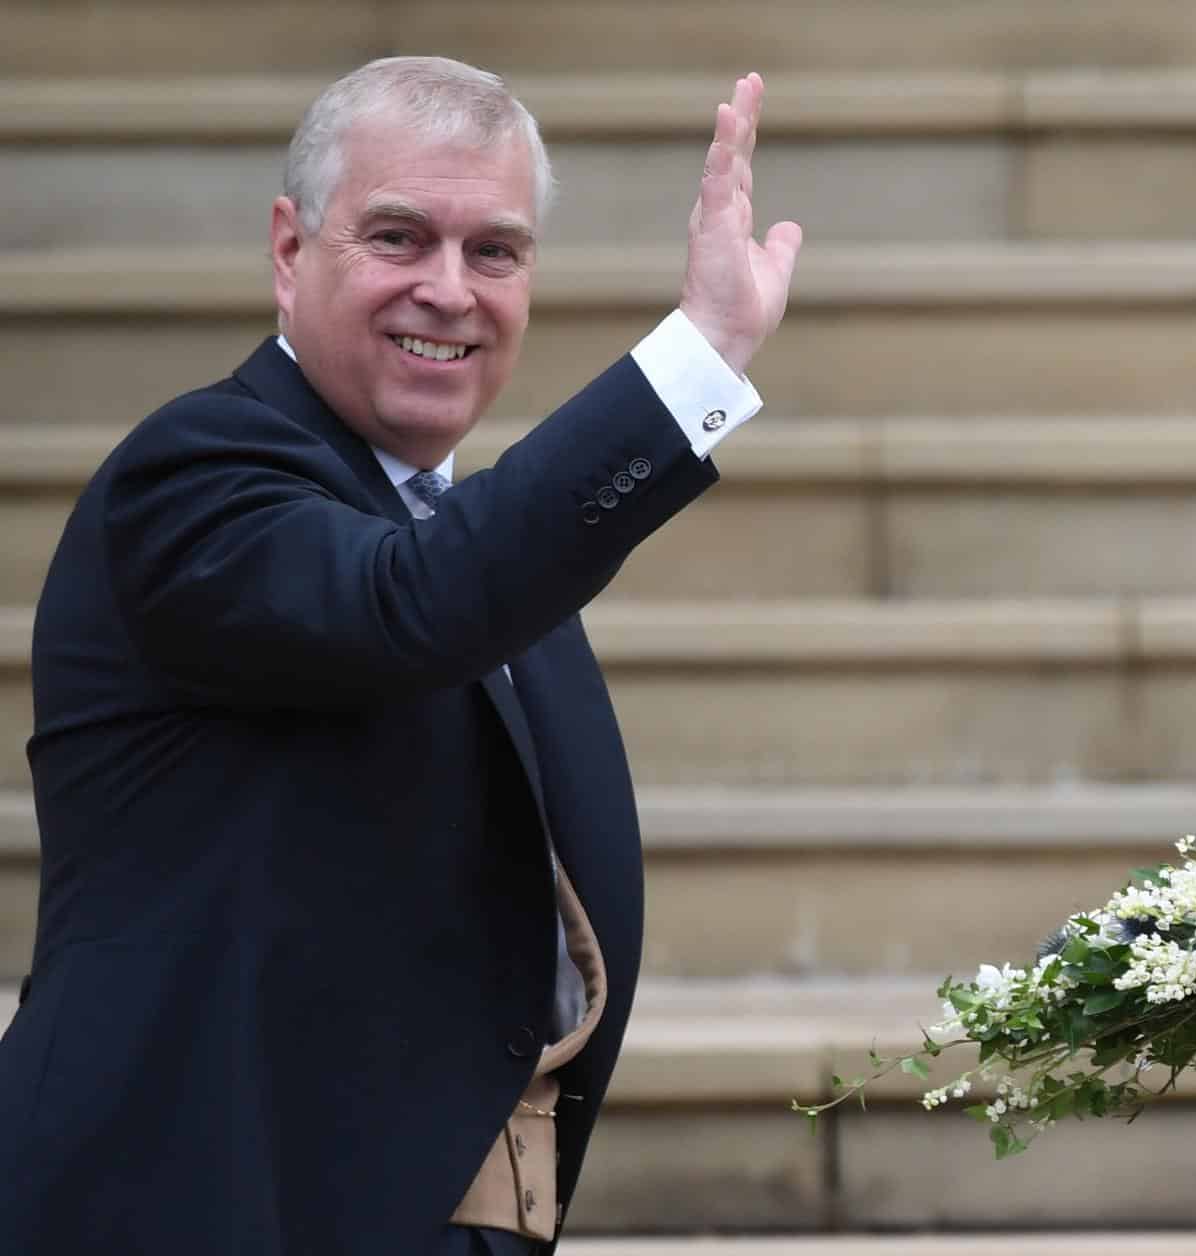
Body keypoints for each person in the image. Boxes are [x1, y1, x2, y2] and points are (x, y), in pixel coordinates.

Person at [0, 56, 800, 1256]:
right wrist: (702, 354)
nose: (449, 290)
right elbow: (409, 608)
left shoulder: (458, 537)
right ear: (288, 249)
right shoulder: (196, 476)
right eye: (398, 237)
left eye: (495, 252)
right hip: (202, 1203)